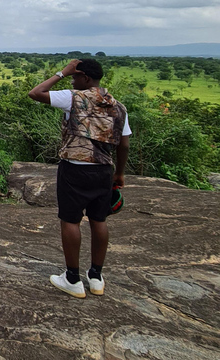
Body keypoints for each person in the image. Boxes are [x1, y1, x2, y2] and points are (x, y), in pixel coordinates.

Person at [28, 58, 130, 298]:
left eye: (76, 77)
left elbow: (36, 93)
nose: (73, 81)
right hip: (103, 170)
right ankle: (96, 277)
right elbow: (124, 144)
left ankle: (72, 278)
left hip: (74, 168)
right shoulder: (119, 107)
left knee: (70, 221)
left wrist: (61, 73)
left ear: (85, 78)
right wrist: (120, 173)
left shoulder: (73, 97)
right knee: (99, 220)